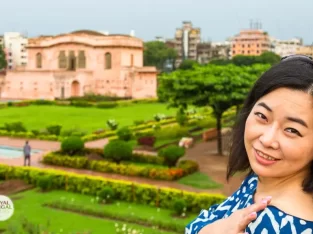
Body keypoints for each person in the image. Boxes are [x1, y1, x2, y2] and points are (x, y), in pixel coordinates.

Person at [186, 55, 313, 233]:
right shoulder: (260, 180)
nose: (267, 140)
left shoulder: (275, 225)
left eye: (292, 130)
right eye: (262, 116)